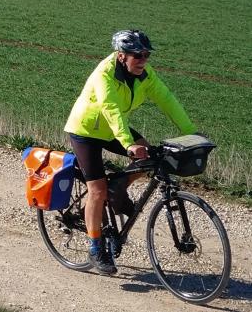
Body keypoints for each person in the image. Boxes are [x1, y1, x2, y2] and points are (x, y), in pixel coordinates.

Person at [64, 29, 196, 276]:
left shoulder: (145, 75)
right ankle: (95, 248)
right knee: (97, 190)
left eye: (146, 55)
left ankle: (119, 185)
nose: (144, 59)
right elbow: (110, 108)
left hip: (113, 129)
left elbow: (167, 99)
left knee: (148, 157)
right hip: (87, 130)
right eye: (138, 55)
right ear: (122, 55)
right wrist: (127, 143)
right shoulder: (105, 74)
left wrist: (191, 132)